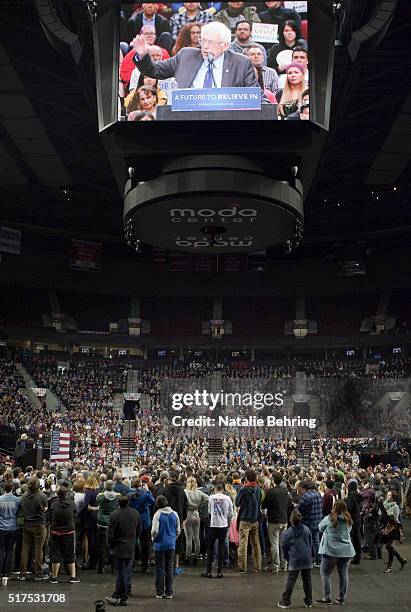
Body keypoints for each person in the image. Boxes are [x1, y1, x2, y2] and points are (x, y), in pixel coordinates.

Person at [131, 21, 260, 90]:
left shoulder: (241, 63)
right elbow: (154, 71)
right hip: (189, 118)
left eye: (211, 42)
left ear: (225, 45)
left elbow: (256, 97)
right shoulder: (186, 55)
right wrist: (142, 54)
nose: (205, 46)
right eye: (203, 41)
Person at [316, 500, 355, 606]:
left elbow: (320, 528)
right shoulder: (348, 519)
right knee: (343, 574)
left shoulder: (330, 518)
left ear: (334, 508)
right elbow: (349, 530)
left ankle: (327, 597)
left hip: (331, 551)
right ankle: (341, 598)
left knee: (326, 573)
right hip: (346, 550)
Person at [105, 495, 141, 607]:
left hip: (118, 547)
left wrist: (110, 545)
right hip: (130, 546)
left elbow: (110, 533)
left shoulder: (114, 515)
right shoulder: (135, 513)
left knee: (121, 573)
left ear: (118, 502)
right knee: (126, 571)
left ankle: (122, 597)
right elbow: (139, 529)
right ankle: (117, 595)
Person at [277, 509, 313, 609]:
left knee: (291, 580)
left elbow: (284, 545)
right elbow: (310, 543)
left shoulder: (289, 532)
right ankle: (308, 601)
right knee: (307, 580)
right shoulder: (306, 529)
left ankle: (286, 601)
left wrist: (287, 557)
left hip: (295, 558)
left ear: (291, 520)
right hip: (306, 558)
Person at [156, 470, 187, 575]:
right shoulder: (182, 491)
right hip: (178, 517)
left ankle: (165, 565)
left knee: (165, 539)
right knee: (177, 541)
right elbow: (185, 505)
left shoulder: (163, 490)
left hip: (164, 517)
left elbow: (157, 503)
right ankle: (176, 566)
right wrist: (183, 518)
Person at [202, 480, 233, 578]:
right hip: (223, 525)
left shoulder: (211, 497)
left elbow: (209, 511)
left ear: (215, 489)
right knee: (221, 547)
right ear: (223, 489)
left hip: (213, 525)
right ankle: (220, 571)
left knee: (210, 548)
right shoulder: (227, 498)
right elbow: (230, 513)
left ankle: (209, 571)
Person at [48, 486, 79, 584]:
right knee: (70, 553)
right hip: (69, 532)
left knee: (55, 553)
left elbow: (50, 516)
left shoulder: (53, 505)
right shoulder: (72, 504)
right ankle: (73, 576)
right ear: (66, 494)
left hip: (55, 532)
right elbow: (75, 515)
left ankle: (54, 577)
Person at [261, 472, 292, 572]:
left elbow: (264, 505)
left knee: (274, 543)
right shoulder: (285, 492)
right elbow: (289, 505)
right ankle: (284, 564)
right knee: (283, 543)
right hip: (284, 520)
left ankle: (275, 565)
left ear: (273, 480)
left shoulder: (271, 492)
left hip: (274, 520)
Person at [151, 494, 180, 599]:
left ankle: (159, 592)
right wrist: (173, 538)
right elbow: (178, 530)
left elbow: (154, 530)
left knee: (160, 568)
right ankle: (169, 592)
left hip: (159, 545)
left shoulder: (157, 515)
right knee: (169, 568)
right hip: (171, 544)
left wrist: (153, 539)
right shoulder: (175, 514)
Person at [19, 476, 48, 581]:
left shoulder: (23, 497)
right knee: (38, 549)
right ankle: (38, 573)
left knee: (25, 548)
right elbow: (45, 508)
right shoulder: (42, 496)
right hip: (39, 525)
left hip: (27, 525)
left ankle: (22, 573)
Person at [235, 468, 264, 573]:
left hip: (245, 519)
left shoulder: (243, 489)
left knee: (243, 543)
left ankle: (242, 566)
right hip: (255, 519)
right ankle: (257, 566)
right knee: (256, 544)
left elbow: (237, 503)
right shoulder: (258, 489)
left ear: (246, 477)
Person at [128, 477, 155, 573]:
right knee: (145, 543)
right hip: (145, 520)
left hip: (134, 520)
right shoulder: (145, 493)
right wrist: (148, 491)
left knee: (133, 541)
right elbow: (152, 501)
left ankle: (132, 562)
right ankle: (145, 563)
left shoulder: (130, 494)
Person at [183, 476, 209, 562]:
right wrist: (200, 505)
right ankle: (197, 556)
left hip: (188, 514)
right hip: (196, 513)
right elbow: (207, 498)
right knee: (197, 537)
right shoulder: (199, 492)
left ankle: (187, 556)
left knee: (189, 538)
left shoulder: (185, 492)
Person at [297, 480, 322, 567]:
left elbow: (300, 511)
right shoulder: (318, 494)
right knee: (316, 542)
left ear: (304, 488)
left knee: (306, 543)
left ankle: (307, 561)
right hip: (317, 522)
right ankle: (319, 560)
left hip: (307, 523)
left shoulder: (306, 497)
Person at [381, 490, 407, 573]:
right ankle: (401, 560)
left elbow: (395, 519)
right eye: (387, 495)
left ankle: (390, 566)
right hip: (388, 527)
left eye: (389, 495)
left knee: (389, 547)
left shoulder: (395, 507)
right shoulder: (386, 504)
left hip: (394, 528)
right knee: (389, 547)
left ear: (393, 497)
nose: (387, 497)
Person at [96, 480, 119, 574]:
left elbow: (97, 500)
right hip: (113, 522)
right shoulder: (118, 496)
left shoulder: (101, 496)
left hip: (101, 523)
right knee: (114, 545)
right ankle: (114, 566)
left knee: (101, 546)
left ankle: (101, 567)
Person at [0, 481, 20, 579]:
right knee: (9, 550)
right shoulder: (17, 500)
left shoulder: (0, 499)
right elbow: (19, 513)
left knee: (1, 550)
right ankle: (6, 572)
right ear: (12, 488)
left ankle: (0, 571)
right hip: (12, 527)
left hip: (1, 527)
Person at [346, 480, 362, 565]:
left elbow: (349, 507)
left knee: (349, 538)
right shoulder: (358, 494)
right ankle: (357, 557)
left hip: (352, 519)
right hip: (358, 518)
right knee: (357, 539)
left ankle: (349, 556)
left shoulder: (352, 495)